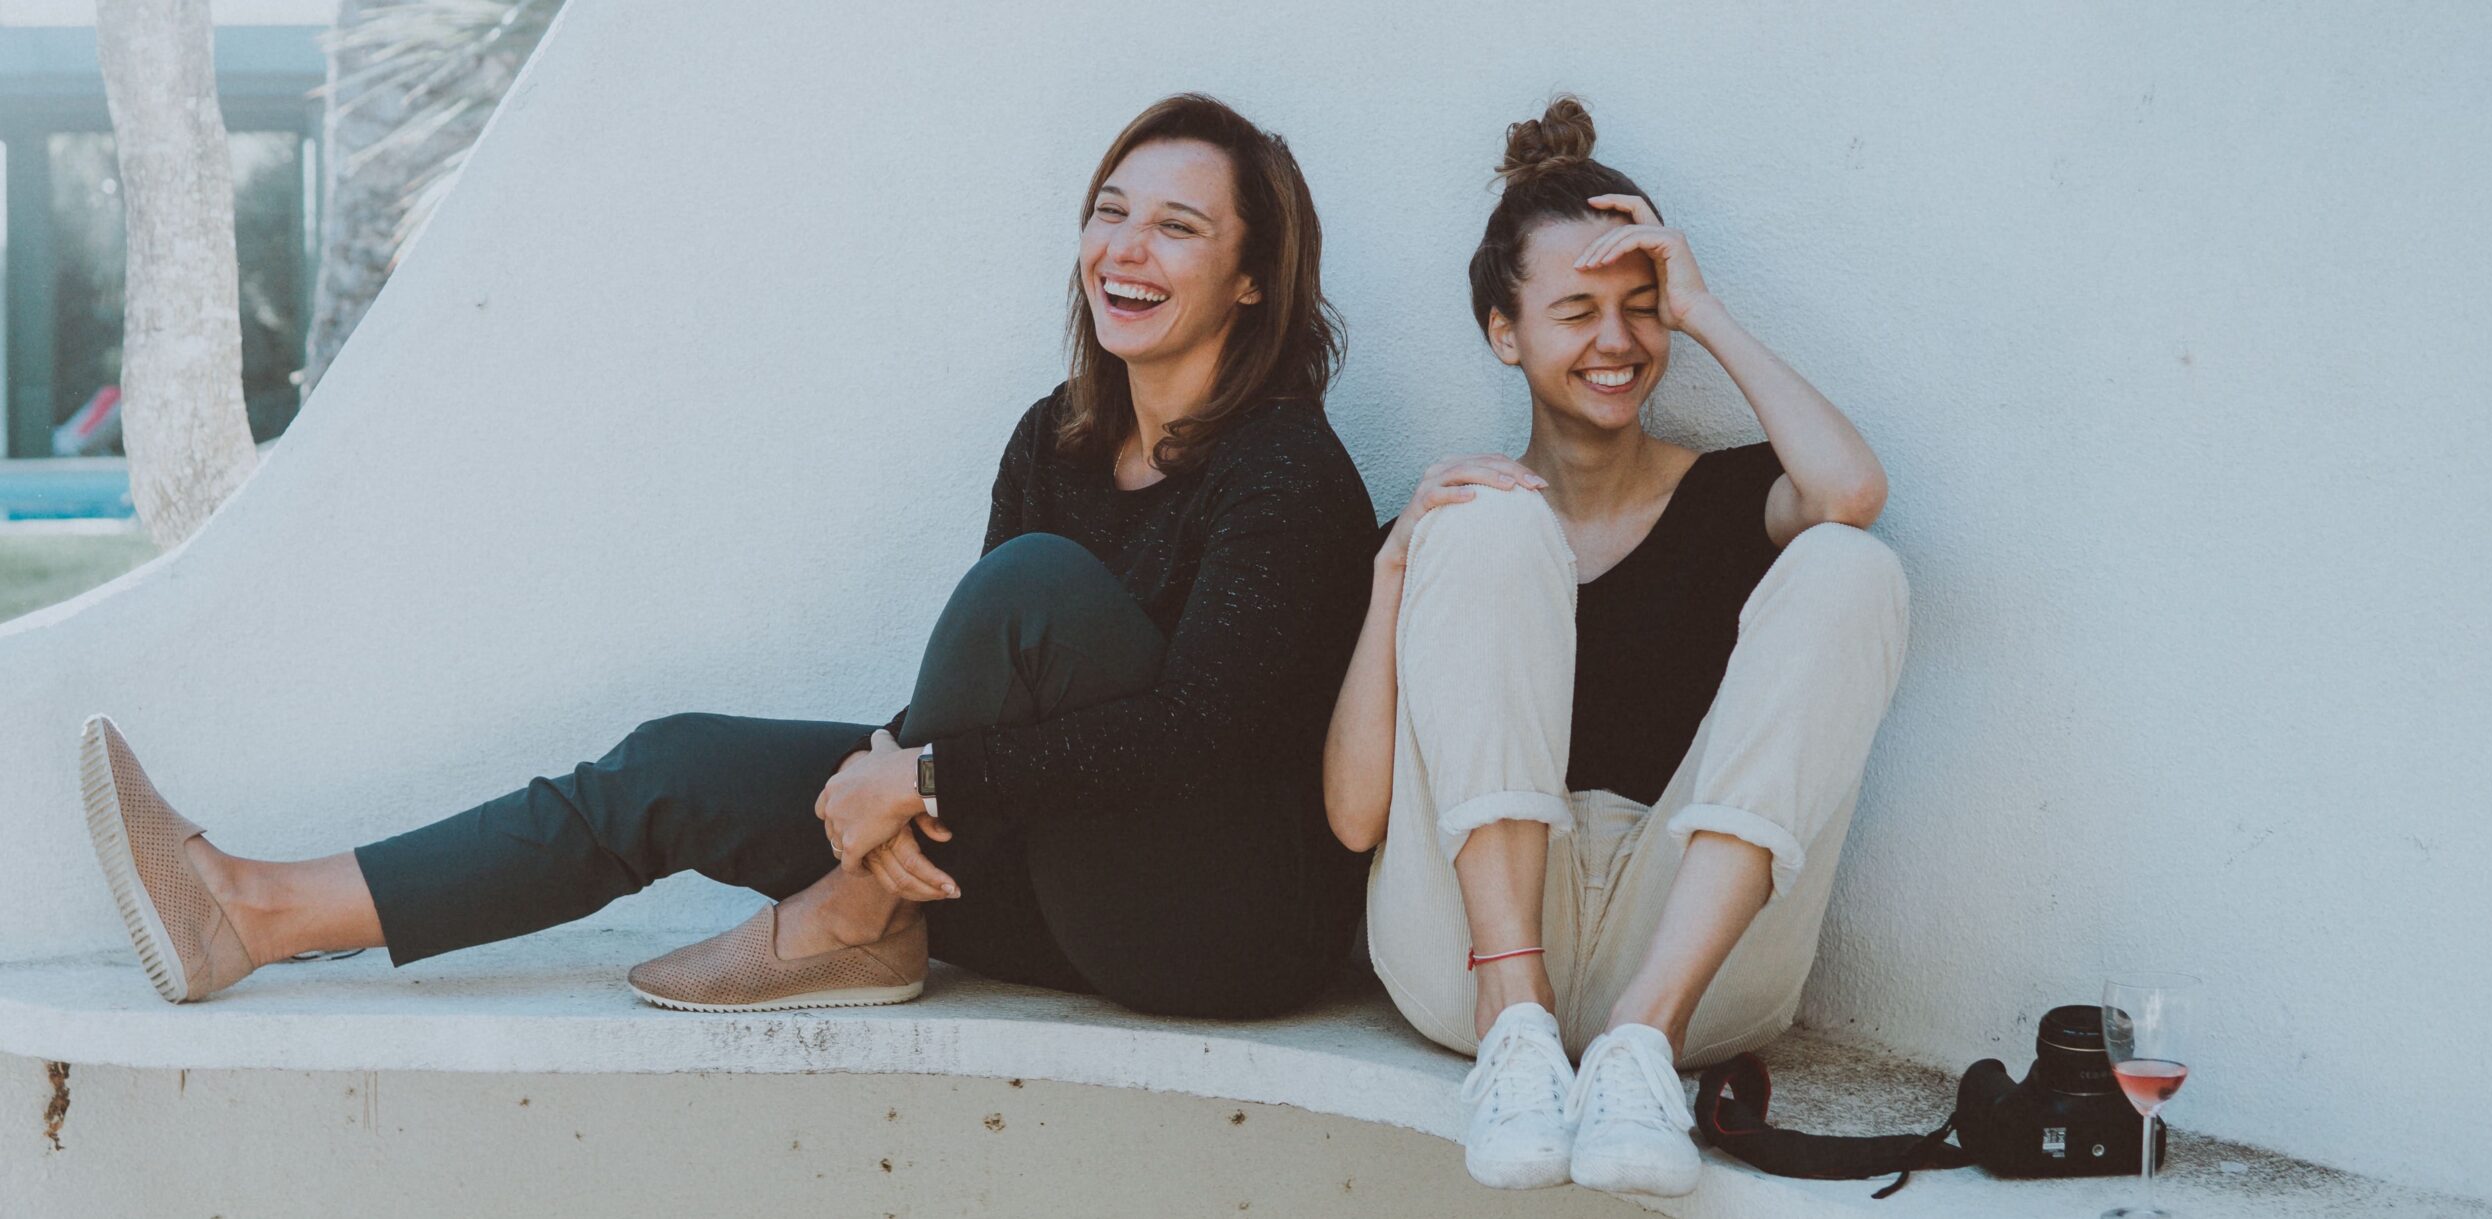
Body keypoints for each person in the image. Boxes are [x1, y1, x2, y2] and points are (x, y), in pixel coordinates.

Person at [82, 93, 1376, 1022]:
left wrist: (918, 769)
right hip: (1048, 870)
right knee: (668, 765)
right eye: (1110, 212)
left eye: (1178, 228)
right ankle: (253, 909)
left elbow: (1197, 734)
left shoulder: (1283, 471)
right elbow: (996, 705)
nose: (1125, 249)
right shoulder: (1061, 436)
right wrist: (903, 776)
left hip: (1214, 928)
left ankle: (853, 918)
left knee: (1025, 589)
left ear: (1253, 279)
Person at [1323, 96, 1909, 1196]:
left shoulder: (1730, 496)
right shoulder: (1455, 528)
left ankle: (1637, 1040)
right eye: (1576, 309)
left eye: (1640, 310)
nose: (1616, 341)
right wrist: (1393, 567)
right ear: (1505, 333)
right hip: (1466, 957)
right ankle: (1517, 1019)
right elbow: (1355, 816)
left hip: (1687, 958)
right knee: (1486, 518)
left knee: (1850, 562)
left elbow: (1851, 490)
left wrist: (1707, 313)